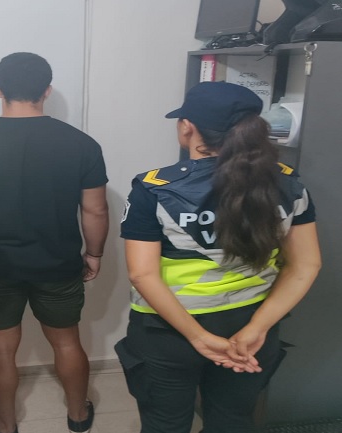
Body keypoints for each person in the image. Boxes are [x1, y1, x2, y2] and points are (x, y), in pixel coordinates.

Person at [116, 81, 321, 433]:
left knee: (165, 424)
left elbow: (142, 274)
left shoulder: (154, 189)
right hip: (250, 326)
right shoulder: (289, 184)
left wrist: (197, 336)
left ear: (187, 127)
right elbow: (306, 265)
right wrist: (257, 328)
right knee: (232, 421)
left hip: (169, 332)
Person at [0, 52, 109, 433]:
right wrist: (94, 254)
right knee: (67, 343)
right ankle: (78, 416)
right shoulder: (81, 144)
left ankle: (6, 424)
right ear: (47, 91)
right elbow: (95, 210)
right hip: (58, 264)